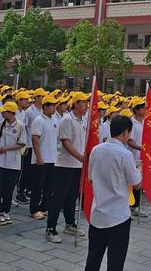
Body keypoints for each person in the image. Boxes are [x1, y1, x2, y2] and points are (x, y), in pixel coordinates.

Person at [84, 116, 142, 271]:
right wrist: (139, 170)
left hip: (98, 214)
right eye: (129, 133)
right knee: (115, 263)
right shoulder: (125, 155)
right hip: (118, 217)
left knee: (93, 260)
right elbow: (137, 184)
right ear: (124, 132)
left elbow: (90, 178)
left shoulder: (96, 150)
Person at [46, 91, 89, 244]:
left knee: (72, 196)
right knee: (58, 197)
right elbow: (66, 142)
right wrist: (80, 157)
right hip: (64, 165)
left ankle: (70, 223)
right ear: (76, 104)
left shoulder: (84, 121)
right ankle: (50, 228)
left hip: (78, 166)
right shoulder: (67, 120)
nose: (86, 105)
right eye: (83, 102)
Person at [0, 101, 26, 226]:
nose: (3, 113)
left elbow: (22, 143)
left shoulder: (20, 126)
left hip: (13, 163)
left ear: (11, 113)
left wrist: (6, 148)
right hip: (0, 162)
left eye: (5, 112)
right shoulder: (1, 124)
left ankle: (5, 211)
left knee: (8, 189)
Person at [30, 95, 58, 220]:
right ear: (45, 107)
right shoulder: (38, 120)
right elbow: (35, 139)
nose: (54, 108)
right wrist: (39, 157)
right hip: (41, 159)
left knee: (49, 186)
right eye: (52, 106)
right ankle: (34, 209)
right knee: (37, 185)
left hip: (52, 158)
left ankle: (44, 207)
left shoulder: (55, 121)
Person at [126, 98, 146, 217]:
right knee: (130, 183)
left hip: (142, 158)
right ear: (136, 110)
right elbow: (129, 141)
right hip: (133, 157)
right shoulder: (132, 123)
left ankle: (137, 206)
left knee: (139, 181)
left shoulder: (145, 122)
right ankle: (128, 206)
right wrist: (139, 148)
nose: (144, 110)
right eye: (142, 108)